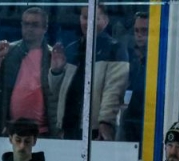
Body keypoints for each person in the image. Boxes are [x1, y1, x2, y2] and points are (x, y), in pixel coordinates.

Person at [50, 4, 129, 140]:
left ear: (106, 21)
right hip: (69, 127)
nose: (88, 23)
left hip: (96, 130)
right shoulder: (71, 49)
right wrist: (56, 71)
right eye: (85, 17)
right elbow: (56, 93)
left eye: (95, 18)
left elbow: (114, 90)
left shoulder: (115, 49)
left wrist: (105, 122)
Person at [0, 7, 59, 136]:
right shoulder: (8, 52)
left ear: (45, 28)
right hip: (10, 132)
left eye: (35, 25)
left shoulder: (52, 57)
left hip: (43, 132)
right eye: (26, 24)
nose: (29, 28)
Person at [120, 12, 149, 143]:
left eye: (144, 30)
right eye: (136, 30)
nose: (139, 35)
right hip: (129, 124)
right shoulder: (130, 58)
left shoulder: (159, 63)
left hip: (147, 124)